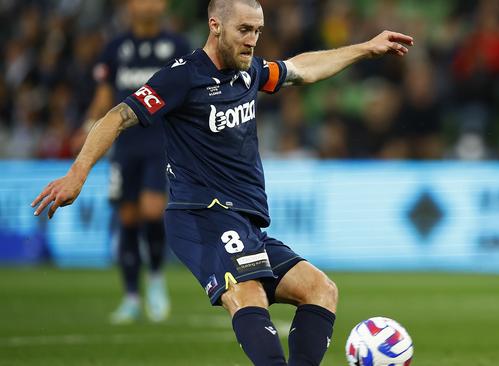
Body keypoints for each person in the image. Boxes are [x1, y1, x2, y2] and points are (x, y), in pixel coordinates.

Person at [32, 0, 413, 364]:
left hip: (245, 222)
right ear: (215, 26)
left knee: (321, 290)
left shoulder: (249, 71)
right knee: (247, 292)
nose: (252, 39)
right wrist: (77, 174)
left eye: (258, 31)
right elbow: (116, 116)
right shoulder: (182, 76)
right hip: (201, 217)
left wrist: (367, 48)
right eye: (244, 29)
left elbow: (302, 69)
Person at [74, 0, 190, 324]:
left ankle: (154, 277)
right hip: (123, 146)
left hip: (160, 143)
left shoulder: (177, 46)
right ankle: (131, 297)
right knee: (127, 218)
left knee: (152, 210)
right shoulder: (114, 48)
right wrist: (87, 129)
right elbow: (103, 97)